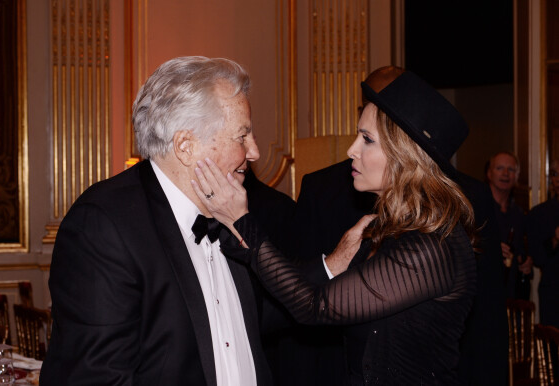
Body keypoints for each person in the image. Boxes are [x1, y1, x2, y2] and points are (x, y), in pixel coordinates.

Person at [193, 66, 477, 384]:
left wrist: (242, 222)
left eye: (367, 139)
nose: (351, 150)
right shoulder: (386, 230)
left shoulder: (432, 246)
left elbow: (315, 307)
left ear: (404, 158)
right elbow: (311, 288)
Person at [40, 56, 274, 385]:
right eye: (242, 136)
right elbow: (96, 379)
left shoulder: (232, 212)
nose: (254, 152)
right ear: (186, 146)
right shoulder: (104, 226)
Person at [526, 159, 559, 377]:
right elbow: (537, 257)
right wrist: (555, 240)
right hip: (554, 293)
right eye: (555, 173)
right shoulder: (539, 213)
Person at [486, 151, 532, 300]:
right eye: (500, 168)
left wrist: (525, 263)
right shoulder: (478, 209)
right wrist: (491, 248)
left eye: (511, 170)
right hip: (484, 294)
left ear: (517, 177)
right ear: (489, 173)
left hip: (511, 296)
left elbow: (522, 251)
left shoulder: (519, 214)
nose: (505, 174)